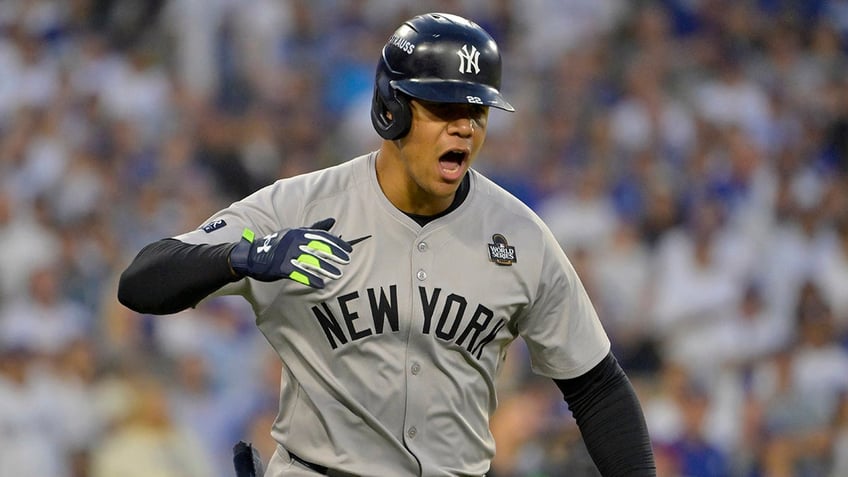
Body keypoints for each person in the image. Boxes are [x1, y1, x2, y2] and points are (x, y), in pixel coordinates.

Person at [118, 12, 656, 477]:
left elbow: (597, 387)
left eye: (477, 112)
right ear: (390, 110)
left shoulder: (518, 235)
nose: (464, 128)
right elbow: (142, 280)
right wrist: (242, 255)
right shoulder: (300, 206)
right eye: (444, 109)